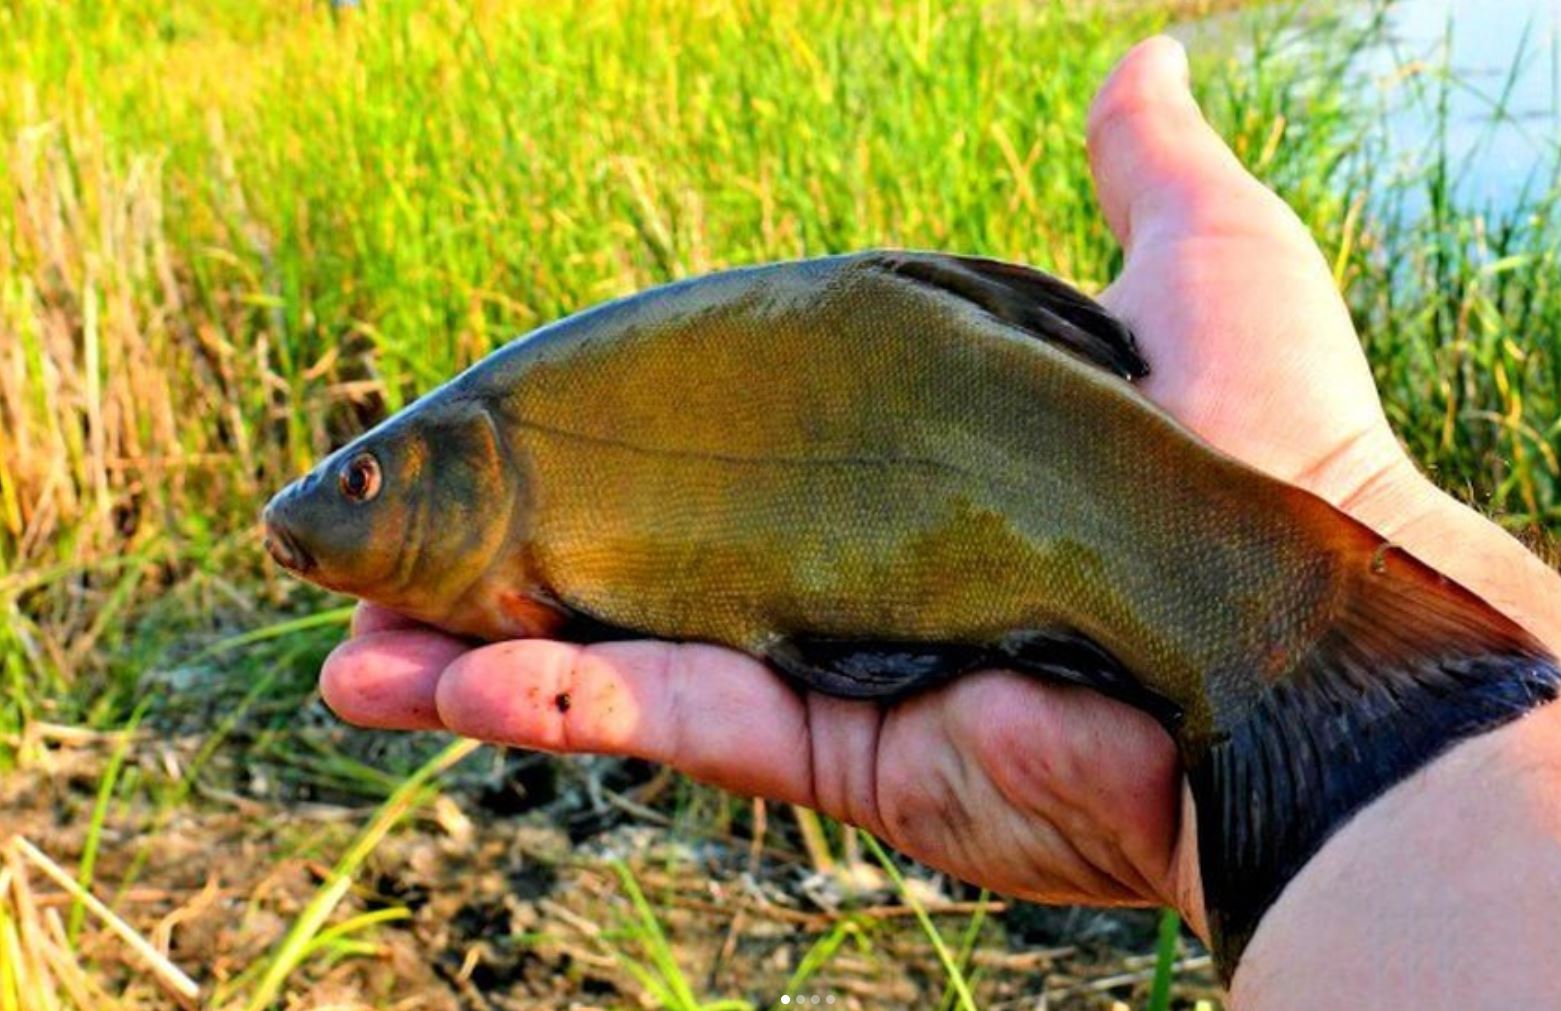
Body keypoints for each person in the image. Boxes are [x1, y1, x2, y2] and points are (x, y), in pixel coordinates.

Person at [316, 37, 1561, 1007]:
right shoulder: (533, 489)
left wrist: (1346, 491)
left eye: (363, 479)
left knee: (1258, 622)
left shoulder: (534, 464)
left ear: (457, 462)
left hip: (976, 433)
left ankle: (1390, 719)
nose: (323, 510)